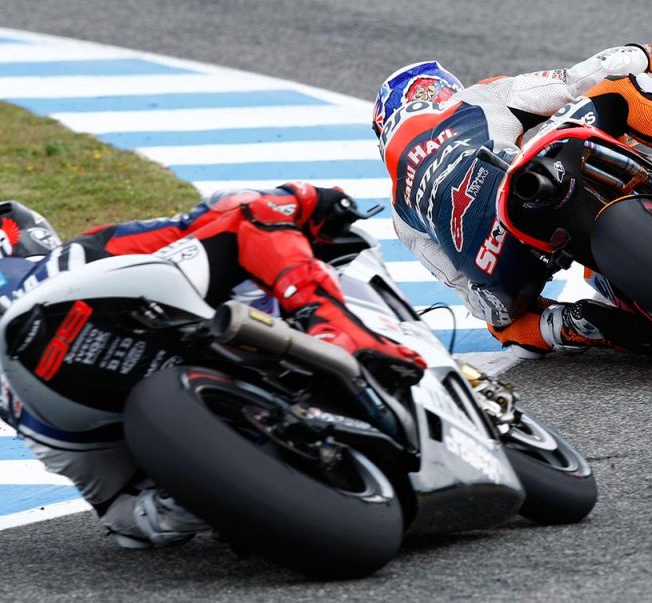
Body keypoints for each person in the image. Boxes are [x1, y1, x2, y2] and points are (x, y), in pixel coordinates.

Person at [0, 185, 424, 548]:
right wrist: (312, 199)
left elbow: (113, 507)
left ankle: (184, 504)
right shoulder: (71, 260)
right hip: (87, 320)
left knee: (128, 521)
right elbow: (231, 212)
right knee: (250, 214)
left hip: (44, 413)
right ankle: (336, 327)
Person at [374, 44, 652, 357]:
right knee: (623, 89)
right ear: (440, 87)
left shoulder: (399, 211)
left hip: (495, 267)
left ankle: (574, 324)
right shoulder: (476, 97)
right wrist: (651, 55)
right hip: (527, 185)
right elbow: (577, 80)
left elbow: (467, 290)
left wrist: (500, 298)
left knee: (505, 326)